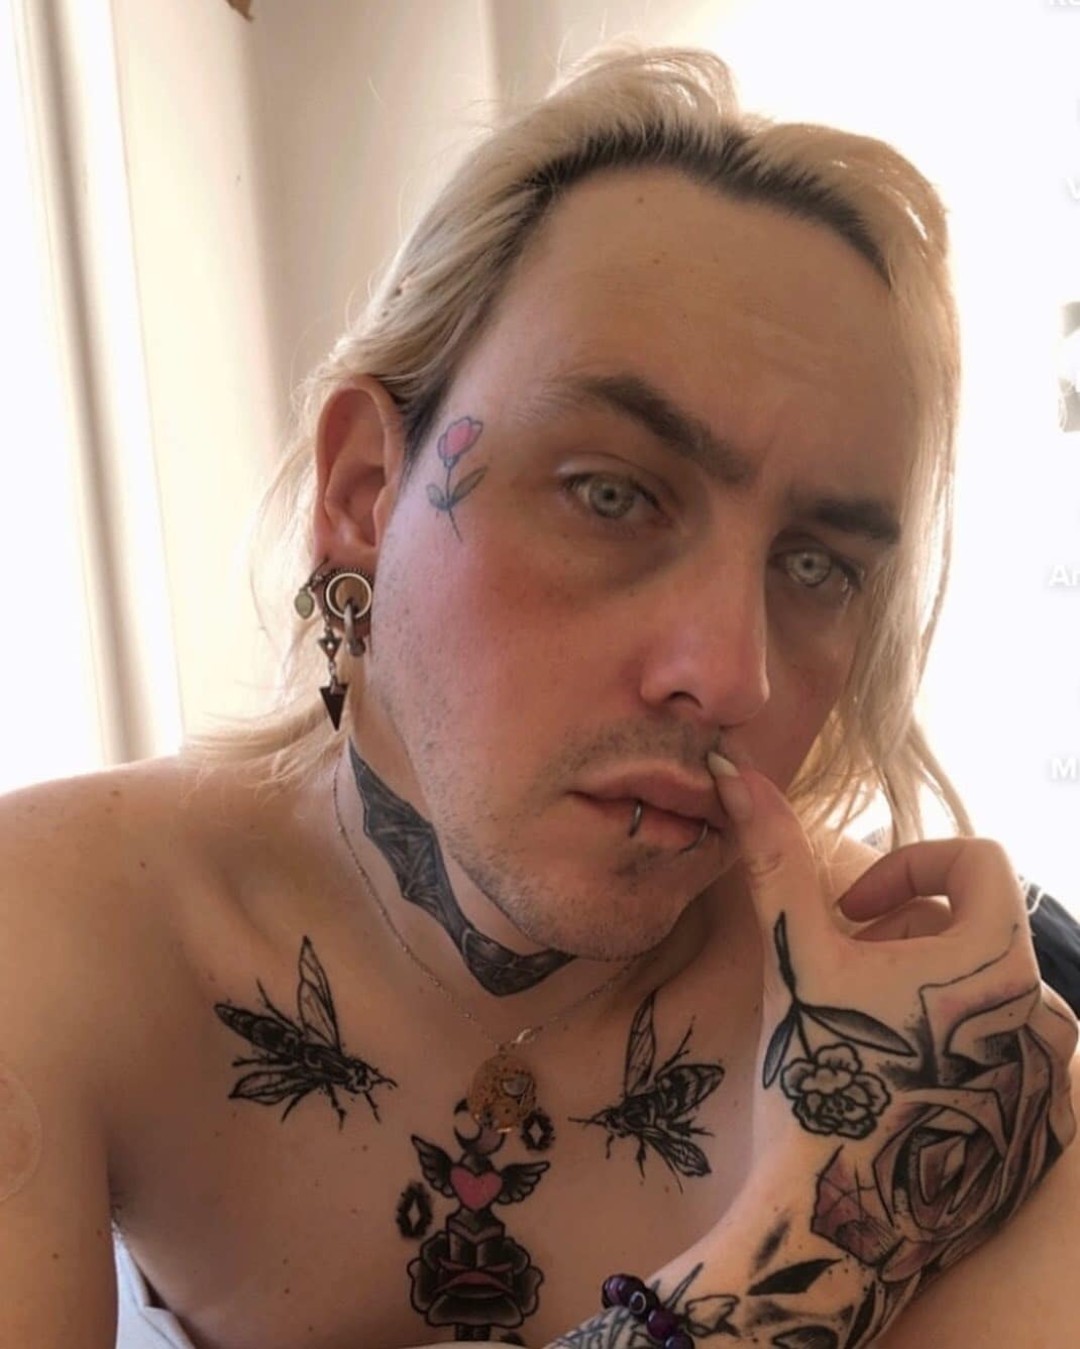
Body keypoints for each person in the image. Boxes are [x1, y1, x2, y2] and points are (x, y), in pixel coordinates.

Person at [2, 46, 1077, 1349]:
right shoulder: (55, 933)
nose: (730, 674)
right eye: (611, 494)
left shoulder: (944, 1061)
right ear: (364, 495)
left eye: (817, 566)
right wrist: (813, 1250)